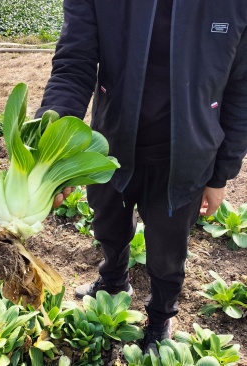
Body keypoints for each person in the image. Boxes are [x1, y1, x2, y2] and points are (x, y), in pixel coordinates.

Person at [36, 0, 247, 355]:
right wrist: (50, 143)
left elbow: (241, 90)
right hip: (113, 146)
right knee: (107, 225)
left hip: (186, 158)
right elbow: (74, 65)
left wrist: (222, 174)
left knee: (167, 253)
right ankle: (114, 281)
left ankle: (160, 316)